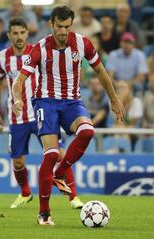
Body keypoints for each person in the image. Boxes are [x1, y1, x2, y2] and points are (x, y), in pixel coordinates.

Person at [12, 5, 125, 225]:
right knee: (51, 153)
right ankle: (44, 213)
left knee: (88, 130)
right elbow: (19, 81)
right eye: (59, 27)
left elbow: (101, 70)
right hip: (46, 102)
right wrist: (18, 99)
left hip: (72, 102)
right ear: (50, 24)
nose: (63, 31)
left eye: (66, 27)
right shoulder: (39, 48)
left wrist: (113, 98)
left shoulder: (83, 43)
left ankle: (59, 173)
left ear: (71, 25)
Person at [0, 17, 84, 210]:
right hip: (16, 116)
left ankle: (73, 196)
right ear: (9, 35)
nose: (19, 36)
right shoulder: (2, 57)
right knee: (18, 162)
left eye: (22, 32)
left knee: (59, 153)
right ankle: (25, 193)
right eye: (15, 33)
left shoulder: (39, 51)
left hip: (40, 112)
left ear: (27, 33)